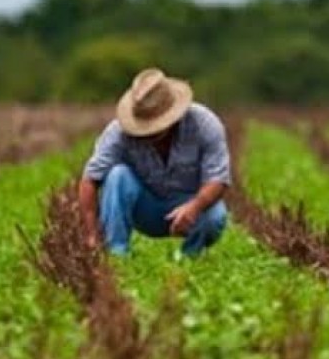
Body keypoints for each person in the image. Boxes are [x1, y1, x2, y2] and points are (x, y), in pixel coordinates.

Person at [78, 68, 230, 258]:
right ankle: (116, 253)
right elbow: (90, 180)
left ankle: (190, 257)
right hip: (146, 208)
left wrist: (194, 206)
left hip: (189, 204)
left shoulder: (204, 124)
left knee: (215, 215)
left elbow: (218, 179)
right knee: (118, 175)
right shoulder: (118, 132)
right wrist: (91, 234)